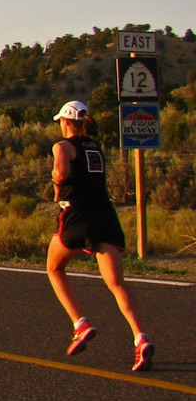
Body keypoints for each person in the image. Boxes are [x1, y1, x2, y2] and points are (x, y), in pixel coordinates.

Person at [45, 100, 153, 371]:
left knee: (54, 268)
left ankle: (79, 324)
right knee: (116, 283)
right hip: (105, 214)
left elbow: (61, 171)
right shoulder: (96, 147)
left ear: (67, 122)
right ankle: (140, 338)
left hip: (78, 215)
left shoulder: (62, 146)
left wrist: (57, 185)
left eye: (61, 120)